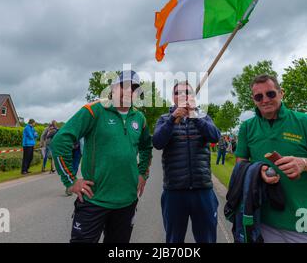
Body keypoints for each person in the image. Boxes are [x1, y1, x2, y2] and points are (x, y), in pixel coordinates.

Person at [234, 74, 307, 243]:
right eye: (258, 96)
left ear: (281, 93)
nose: (265, 100)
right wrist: (258, 171)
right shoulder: (247, 128)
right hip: (262, 219)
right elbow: (240, 166)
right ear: (253, 99)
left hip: (302, 220)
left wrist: (304, 163)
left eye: (270, 94)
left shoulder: (306, 122)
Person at [50, 70, 153, 243]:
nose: (129, 91)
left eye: (134, 89)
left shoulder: (139, 118)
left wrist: (143, 173)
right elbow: (60, 141)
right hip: (94, 200)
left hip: (127, 202)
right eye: (124, 86)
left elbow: (146, 147)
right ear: (113, 88)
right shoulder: (94, 110)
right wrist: (71, 181)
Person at [152, 81, 221, 243]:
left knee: (207, 239)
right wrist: (172, 119)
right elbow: (157, 142)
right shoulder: (164, 119)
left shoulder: (203, 116)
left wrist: (194, 116)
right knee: (174, 240)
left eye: (186, 92)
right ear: (173, 97)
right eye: (178, 93)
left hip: (202, 190)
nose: (182, 95)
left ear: (192, 96)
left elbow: (215, 137)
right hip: (174, 191)